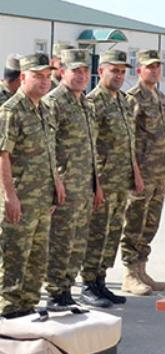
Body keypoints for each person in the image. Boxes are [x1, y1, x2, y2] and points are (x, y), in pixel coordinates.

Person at [0, 53, 65, 318]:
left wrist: (56, 183)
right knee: (14, 257)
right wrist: (9, 196)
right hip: (21, 198)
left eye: (47, 76)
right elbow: (2, 154)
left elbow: (50, 151)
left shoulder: (45, 108)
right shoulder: (11, 111)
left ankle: (27, 306)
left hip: (41, 199)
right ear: (23, 77)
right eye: (37, 76)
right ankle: (7, 310)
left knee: (37, 259)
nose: (44, 81)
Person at [82, 50, 147, 300]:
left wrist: (136, 174)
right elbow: (89, 147)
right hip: (103, 182)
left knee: (112, 233)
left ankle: (101, 280)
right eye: (114, 70)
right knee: (97, 232)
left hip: (121, 181)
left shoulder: (122, 100)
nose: (119, 75)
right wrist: (96, 184)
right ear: (101, 71)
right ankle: (88, 282)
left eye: (122, 71)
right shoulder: (92, 103)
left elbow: (129, 142)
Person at [43, 49, 105, 309]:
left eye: (84, 71)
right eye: (75, 71)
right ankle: (57, 292)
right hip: (65, 185)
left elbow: (92, 149)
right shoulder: (53, 102)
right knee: (61, 240)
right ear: (62, 72)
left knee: (78, 241)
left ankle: (68, 288)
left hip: (84, 186)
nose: (81, 76)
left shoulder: (85, 103)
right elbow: (47, 146)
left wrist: (97, 185)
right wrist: (56, 181)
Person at [121, 50, 165, 294]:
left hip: (158, 173)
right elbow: (129, 140)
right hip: (141, 174)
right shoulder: (134, 98)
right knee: (134, 223)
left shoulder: (161, 98)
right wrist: (135, 174)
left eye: (158, 67)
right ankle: (130, 274)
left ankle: (142, 270)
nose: (154, 71)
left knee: (151, 224)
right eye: (149, 67)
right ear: (139, 70)